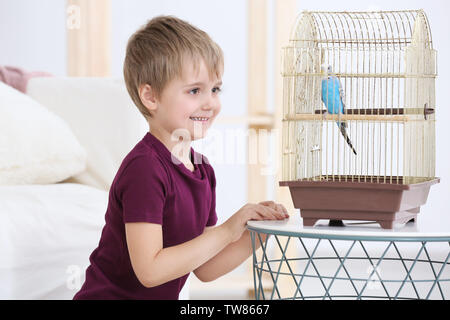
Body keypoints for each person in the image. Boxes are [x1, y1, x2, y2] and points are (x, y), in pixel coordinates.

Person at [73, 15, 288, 300]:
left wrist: (257, 232)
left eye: (215, 89)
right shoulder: (145, 169)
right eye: (195, 90)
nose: (210, 102)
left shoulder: (202, 170)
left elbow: (205, 267)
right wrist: (226, 231)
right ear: (151, 97)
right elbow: (150, 270)